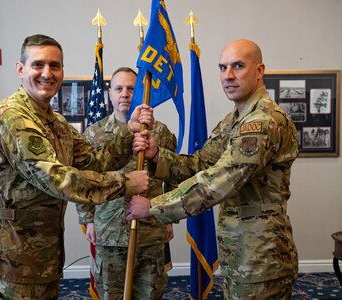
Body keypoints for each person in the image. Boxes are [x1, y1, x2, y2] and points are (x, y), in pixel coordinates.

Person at [0, 34, 153, 300]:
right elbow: (57, 179)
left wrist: (127, 135)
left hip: (45, 256)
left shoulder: (56, 123)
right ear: (20, 69)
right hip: (13, 258)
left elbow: (94, 163)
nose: (47, 73)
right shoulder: (11, 116)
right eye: (38, 65)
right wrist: (127, 183)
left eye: (55, 66)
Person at [128, 39, 299, 299]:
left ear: (259, 70)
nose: (228, 76)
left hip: (261, 258)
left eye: (238, 66)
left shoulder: (263, 122)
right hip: (240, 251)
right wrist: (157, 155)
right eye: (222, 67)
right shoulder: (235, 120)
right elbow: (201, 164)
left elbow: (219, 180)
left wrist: (153, 207)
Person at [77, 67, 177, 299]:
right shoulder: (94, 134)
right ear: (109, 94)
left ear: (141, 92)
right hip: (108, 229)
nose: (125, 94)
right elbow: (82, 180)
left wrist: (169, 216)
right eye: (119, 89)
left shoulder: (160, 132)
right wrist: (88, 219)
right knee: (111, 294)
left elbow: (173, 176)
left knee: (150, 294)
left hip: (150, 229)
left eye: (131, 88)